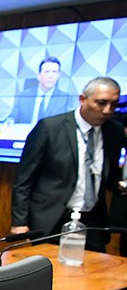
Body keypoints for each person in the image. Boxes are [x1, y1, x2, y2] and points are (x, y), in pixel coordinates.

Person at [11, 77, 123, 252]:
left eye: (113, 104)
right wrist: (19, 222)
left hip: (92, 220)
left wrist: (121, 185)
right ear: (82, 99)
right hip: (51, 218)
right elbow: (24, 179)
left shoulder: (114, 131)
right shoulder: (50, 127)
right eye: (101, 103)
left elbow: (109, 175)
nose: (107, 110)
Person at [6, 57, 74, 126]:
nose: (50, 76)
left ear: (58, 76)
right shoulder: (24, 96)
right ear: (39, 76)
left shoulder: (66, 99)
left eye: (54, 72)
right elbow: (12, 117)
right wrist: (10, 121)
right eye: (47, 71)